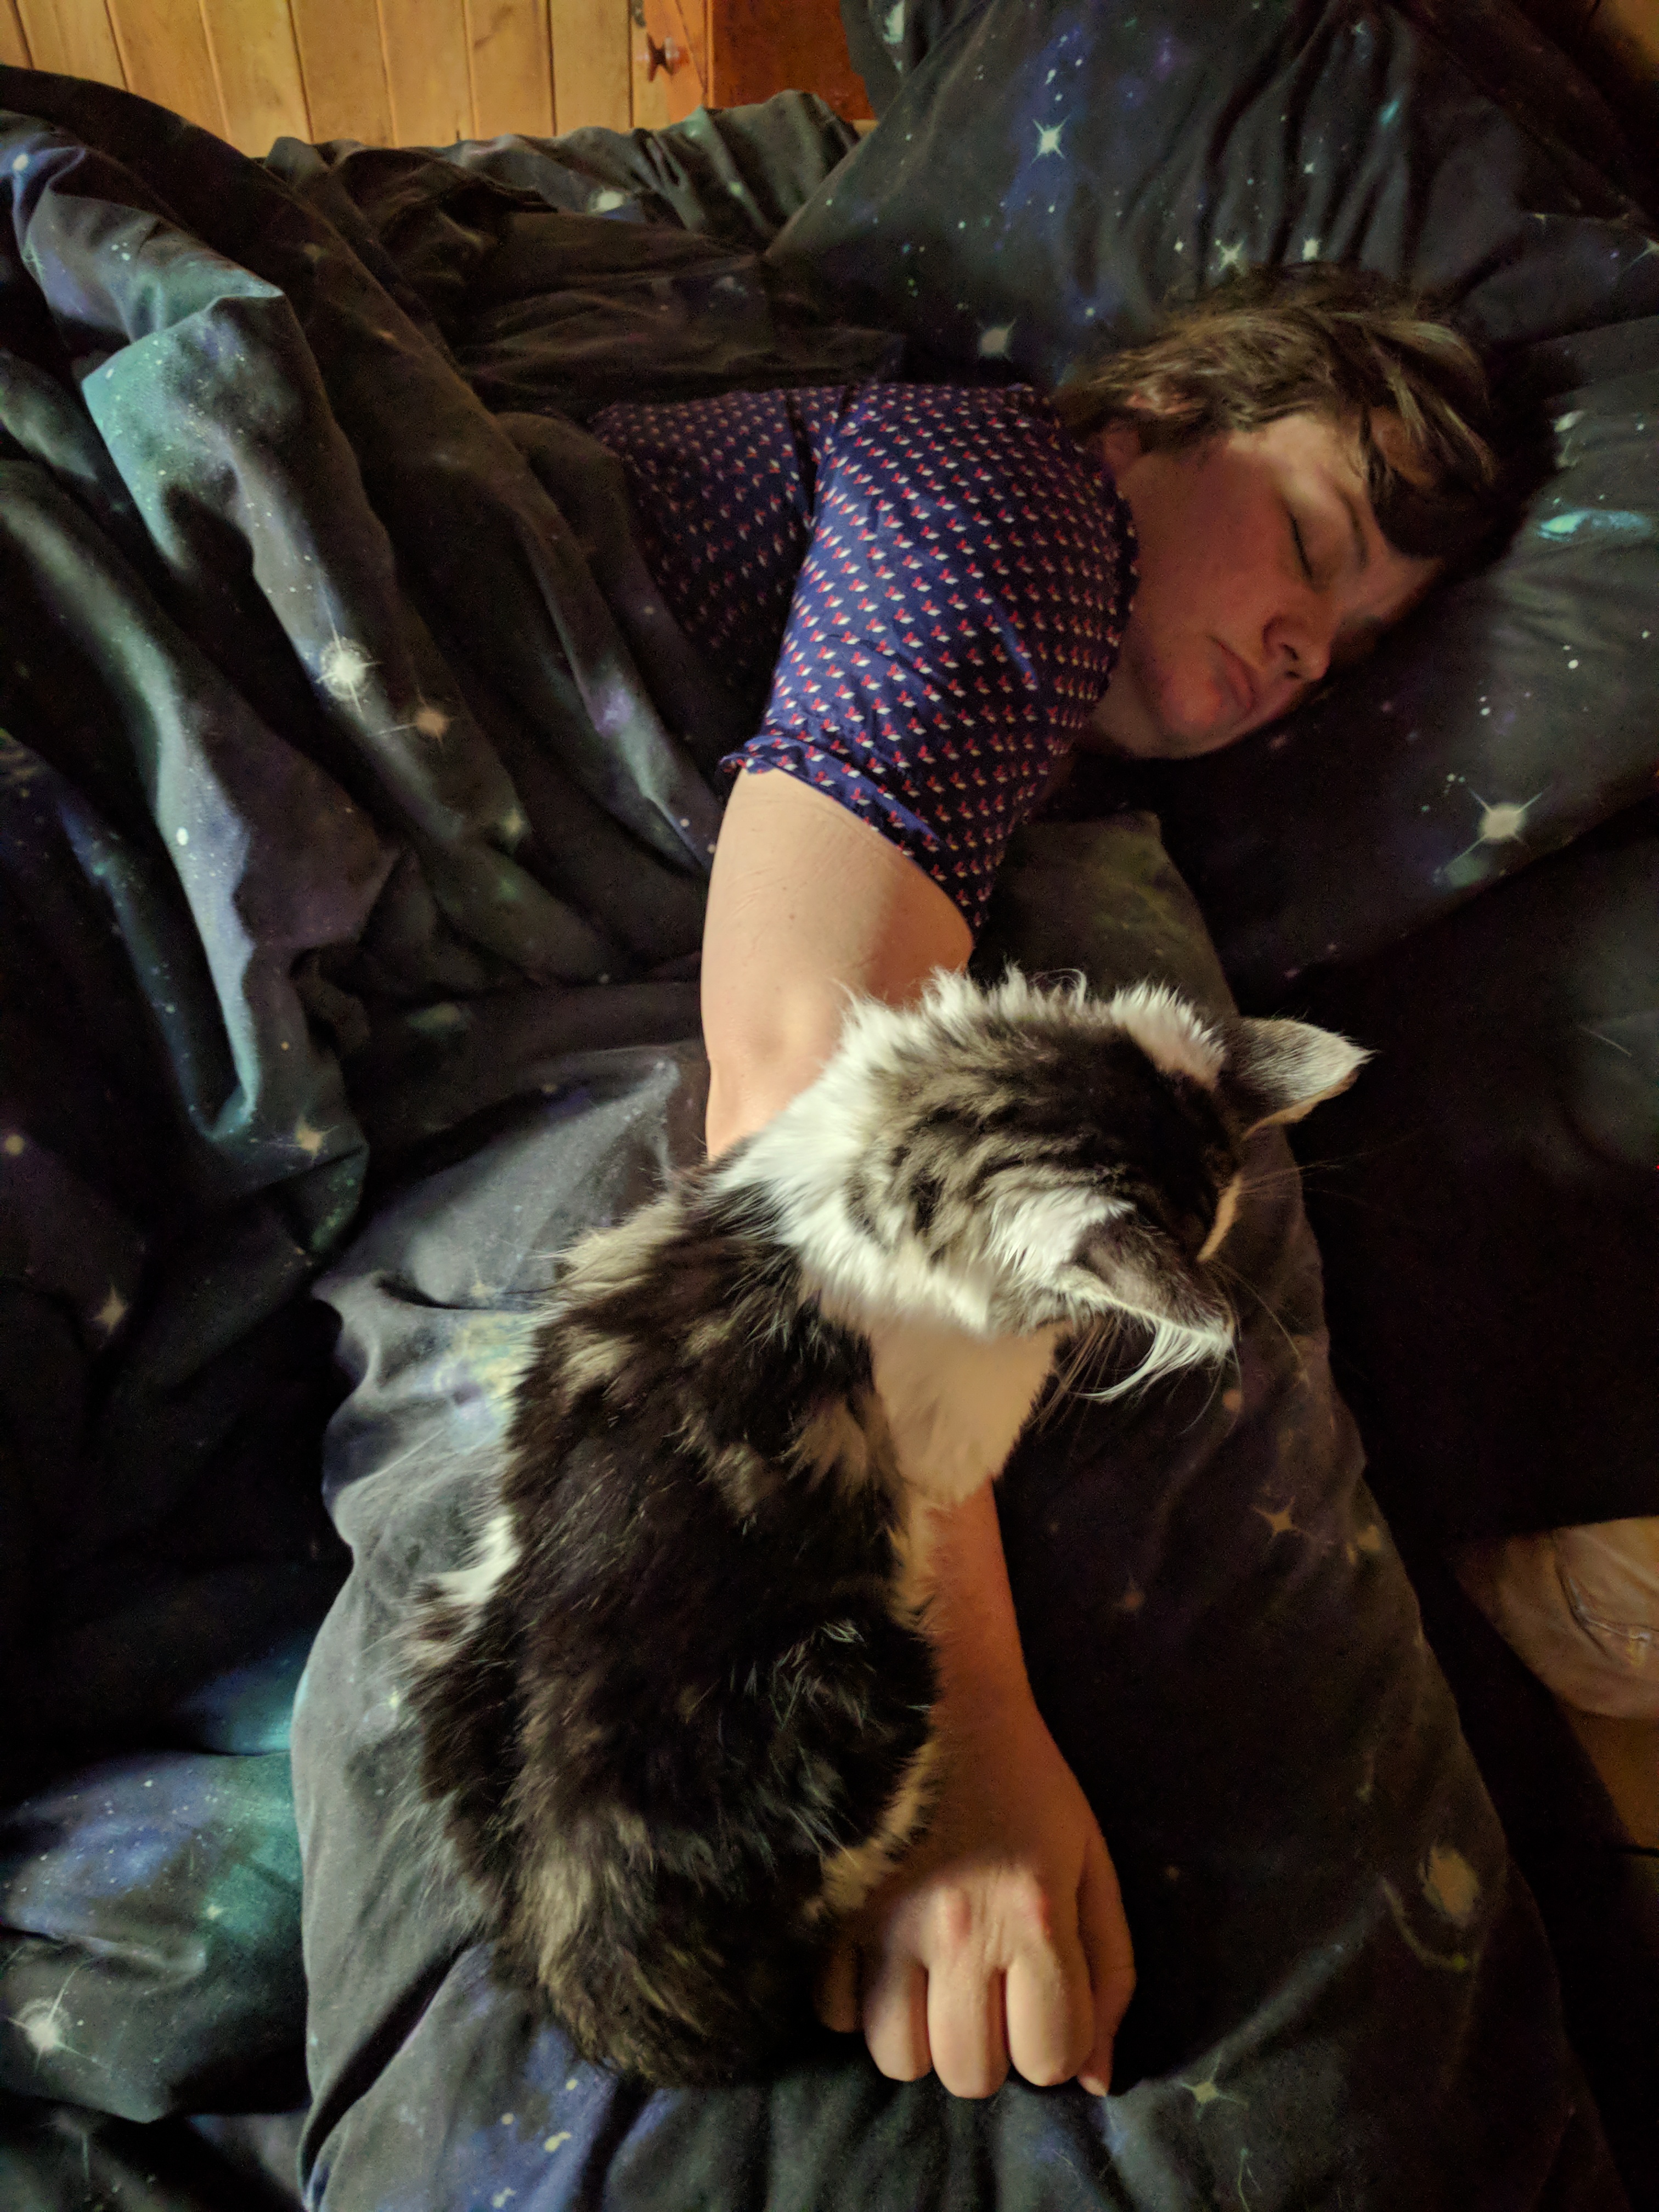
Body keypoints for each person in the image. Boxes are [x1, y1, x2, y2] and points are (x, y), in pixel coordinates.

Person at [585, 264, 1507, 2102]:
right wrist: (958, 1718)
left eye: (1350, 648)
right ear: (1150, 418)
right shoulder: (1029, 508)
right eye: (1313, 541)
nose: (1305, 652)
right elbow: (810, 1069)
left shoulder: (1051, 771)